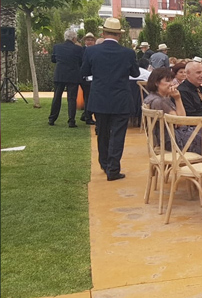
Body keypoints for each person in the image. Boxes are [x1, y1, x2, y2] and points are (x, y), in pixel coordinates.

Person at [81, 17, 139, 181]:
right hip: (121, 99)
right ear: (119, 35)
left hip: (99, 98)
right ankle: (113, 169)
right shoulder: (128, 53)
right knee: (118, 134)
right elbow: (135, 73)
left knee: (102, 132)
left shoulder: (91, 51)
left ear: (103, 33)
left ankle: (104, 163)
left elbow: (84, 72)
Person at [48, 28, 84, 127]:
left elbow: (53, 60)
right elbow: (81, 62)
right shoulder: (78, 49)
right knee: (72, 98)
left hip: (60, 74)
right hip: (73, 75)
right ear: (74, 39)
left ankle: (52, 119)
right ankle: (71, 121)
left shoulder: (57, 47)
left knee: (57, 97)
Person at [79, 32, 96, 125]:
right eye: (88, 40)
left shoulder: (96, 50)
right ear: (85, 41)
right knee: (88, 97)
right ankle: (87, 116)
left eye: (91, 40)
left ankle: (86, 114)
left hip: (94, 77)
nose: (89, 41)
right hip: (85, 77)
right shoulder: (82, 50)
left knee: (90, 97)